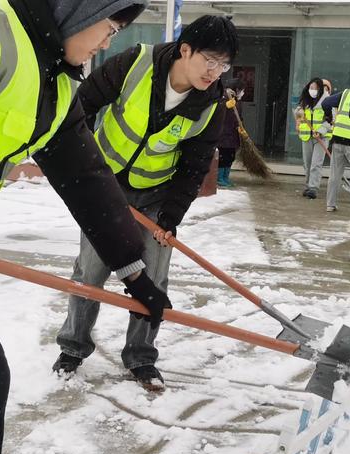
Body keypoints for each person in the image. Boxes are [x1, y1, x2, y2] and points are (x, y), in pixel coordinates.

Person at [0, 1, 172, 454]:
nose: (109, 42)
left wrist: (133, 271)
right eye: (110, 27)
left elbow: (85, 176)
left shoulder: (51, 77)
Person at [52, 15, 238, 389]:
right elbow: (80, 108)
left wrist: (171, 218)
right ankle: (72, 347)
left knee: (152, 280)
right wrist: (83, 169)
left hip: (157, 197)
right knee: (90, 272)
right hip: (105, 190)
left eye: (224, 65)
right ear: (186, 50)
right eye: (210, 60)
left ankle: (140, 356)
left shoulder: (211, 104)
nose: (215, 72)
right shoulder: (135, 62)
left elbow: (194, 166)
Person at [295, 77, 332, 199]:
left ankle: (313, 188)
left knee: (316, 164)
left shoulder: (327, 102)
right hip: (307, 136)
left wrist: (320, 131)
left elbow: (331, 121)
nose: (313, 90)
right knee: (308, 163)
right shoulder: (305, 101)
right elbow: (298, 114)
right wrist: (298, 114)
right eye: (311, 88)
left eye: (315, 88)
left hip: (321, 138)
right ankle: (308, 186)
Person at [322, 88, 350, 212]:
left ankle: (330, 204)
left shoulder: (345, 93)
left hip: (338, 138)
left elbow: (326, 103)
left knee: (335, 174)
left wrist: (329, 117)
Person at [217, 78, 245, 187]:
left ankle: (225, 177)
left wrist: (241, 128)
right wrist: (224, 106)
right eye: (242, 90)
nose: (243, 92)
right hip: (223, 135)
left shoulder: (237, 101)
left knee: (230, 157)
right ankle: (219, 178)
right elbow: (215, 111)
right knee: (223, 157)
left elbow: (239, 117)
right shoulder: (223, 97)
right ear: (236, 89)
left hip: (232, 135)